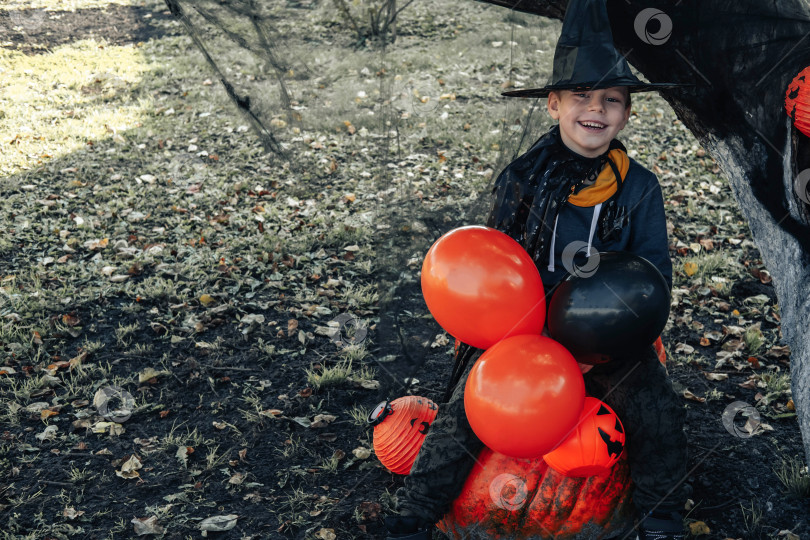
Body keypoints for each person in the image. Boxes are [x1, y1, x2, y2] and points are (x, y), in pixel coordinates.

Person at [383, 1, 695, 539]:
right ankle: (415, 513)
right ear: (553, 104)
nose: (594, 109)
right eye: (580, 96)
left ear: (626, 113)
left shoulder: (639, 188)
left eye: (611, 100)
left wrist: (615, 326)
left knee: (659, 410)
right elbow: (492, 268)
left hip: (606, 340)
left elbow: (653, 273)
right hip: (519, 334)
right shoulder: (523, 180)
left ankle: (661, 516)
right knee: (465, 416)